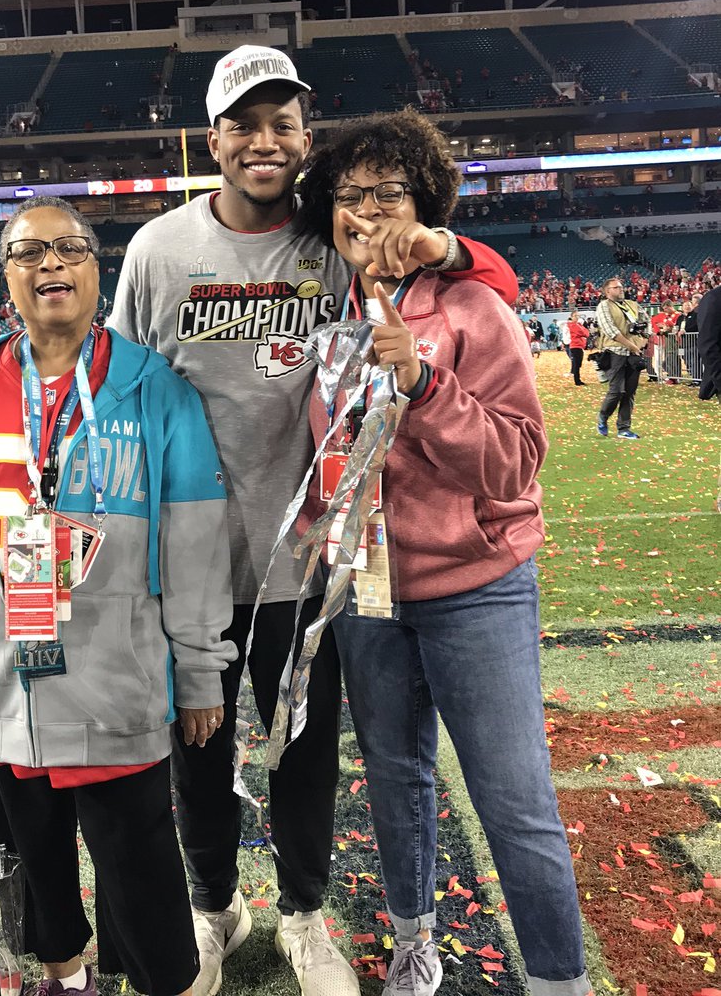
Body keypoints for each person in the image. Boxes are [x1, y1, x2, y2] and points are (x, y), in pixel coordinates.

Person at [109, 45, 518, 996]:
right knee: (197, 760)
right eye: (244, 125)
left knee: (303, 756)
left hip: (310, 562)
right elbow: (122, 396)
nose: (264, 142)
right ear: (212, 139)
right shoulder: (157, 251)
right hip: (191, 568)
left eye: (283, 125)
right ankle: (216, 907)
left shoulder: (336, 241)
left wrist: (445, 247)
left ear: (304, 138)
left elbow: (488, 278)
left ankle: (302, 913)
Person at [0, 195, 235, 996]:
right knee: (31, 864)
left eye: (69, 248)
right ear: (5, 276)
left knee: (140, 868)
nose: (51, 265)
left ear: (96, 269)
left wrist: (201, 669)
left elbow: (196, 544)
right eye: (29, 252)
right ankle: (65, 977)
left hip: (116, 684)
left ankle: (168, 983)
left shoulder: (156, 392)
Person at [298, 108, 593, 996]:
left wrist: (425, 385)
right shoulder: (329, 314)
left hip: (476, 588)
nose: (366, 210)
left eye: (388, 191)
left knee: (513, 798)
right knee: (396, 781)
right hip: (369, 592)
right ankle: (413, 941)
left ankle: (558, 980)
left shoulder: (473, 306)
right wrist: (320, 531)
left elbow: (516, 462)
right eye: (349, 194)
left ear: (424, 203)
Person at [595, 276, 648, 439]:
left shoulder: (632, 304)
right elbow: (611, 331)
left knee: (629, 392)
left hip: (633, 354)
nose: (621, 289)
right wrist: (631, 345)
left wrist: (643, 340)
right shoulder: (604, 306)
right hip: (615, 352)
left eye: (621, 286)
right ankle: (603, 416)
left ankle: (624, 428)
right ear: (607, 291)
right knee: (616, 390)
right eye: (616, 287)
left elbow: (647, 322)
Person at [567, 310, 589, 385]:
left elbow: (586, 332)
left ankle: (577, 379)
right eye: (575, 316)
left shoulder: (578, 324)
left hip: (579, 346)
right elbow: (583, 332)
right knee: (577, 364)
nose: (577, 317)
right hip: (575, 346)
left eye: (578, 316)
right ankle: (577, 380)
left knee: (578, 364)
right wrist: (584, 333)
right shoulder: (572, 325)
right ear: (571, 317)